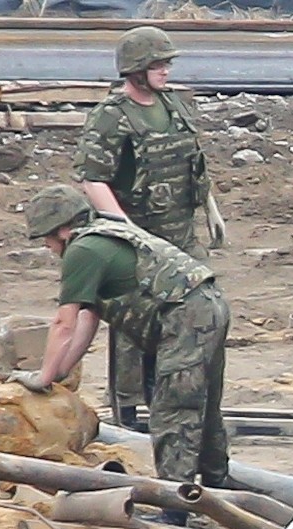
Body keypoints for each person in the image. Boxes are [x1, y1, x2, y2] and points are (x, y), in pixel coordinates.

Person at [11, 185, 230, 526]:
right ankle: (219, 485)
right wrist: (62, 370)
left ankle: (176, 509)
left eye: (46, 239)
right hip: (207, 305)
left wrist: (42, 376)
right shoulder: (108, 233)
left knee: (173, 412)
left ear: (63, 230)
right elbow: (90, 316)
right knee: (202, 404)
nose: (47, 248)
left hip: (185, 317)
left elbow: (63, 323)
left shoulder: (82, 250)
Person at [72, 25, 226, 428]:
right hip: (139, 236)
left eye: (167, 63)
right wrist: (125, 231)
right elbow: (93, 178)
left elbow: (192, 161)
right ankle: (131, 412)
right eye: (158, 64)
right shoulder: (111, 116)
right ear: (135, 69)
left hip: (182, 234)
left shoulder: (174, 105)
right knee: (134, 328)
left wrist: (210, 207)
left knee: (200, 312)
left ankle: (188, 401)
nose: (166, 71)